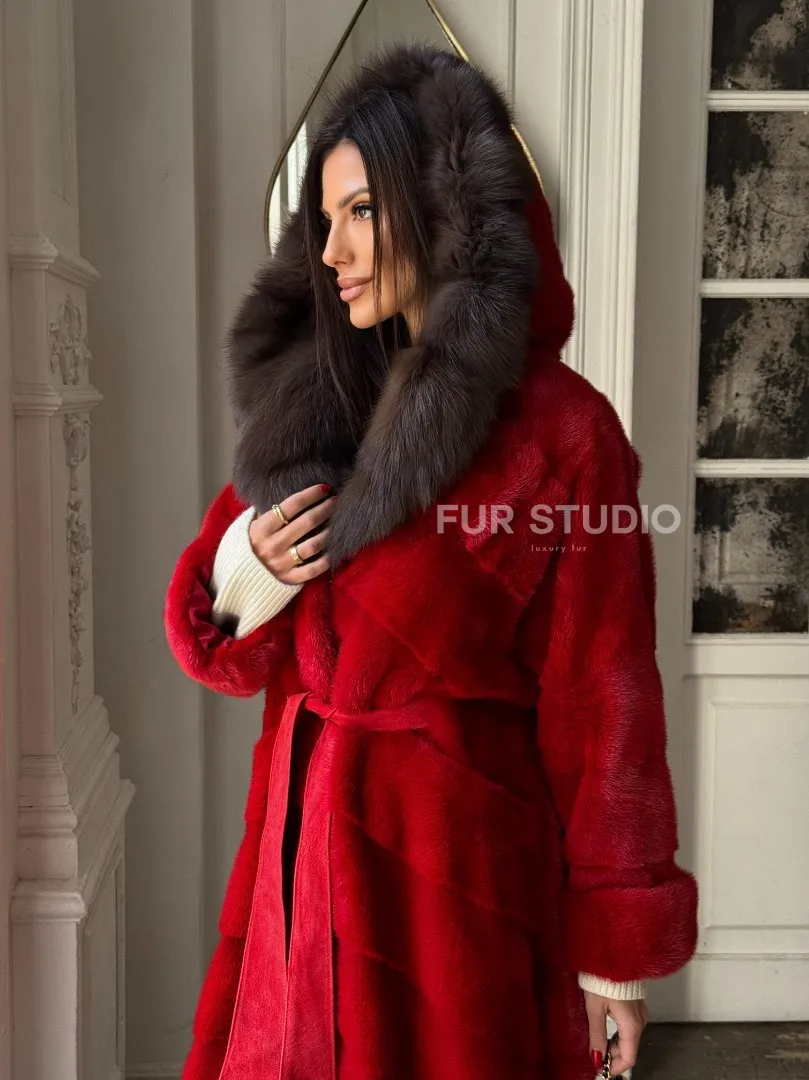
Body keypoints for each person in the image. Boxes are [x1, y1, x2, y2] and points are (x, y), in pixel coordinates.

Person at [164, 42, 698, 1080]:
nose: (331, 249)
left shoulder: (562, 433)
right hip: (296, 856)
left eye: (361, 211)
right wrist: (247, 573)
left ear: (443, 209)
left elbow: (606, 702)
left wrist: (613, 957)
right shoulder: (311, 402)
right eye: (323, 219)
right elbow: (222, 647)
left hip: (455, 882)